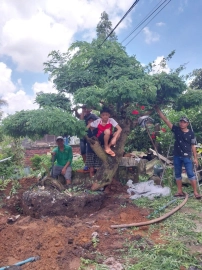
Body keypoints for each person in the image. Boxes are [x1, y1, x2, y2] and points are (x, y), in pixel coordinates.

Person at [155, 106, 201, 199]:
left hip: (187, 156)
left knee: (190, 173)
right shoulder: (176, 130)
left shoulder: (191, 133)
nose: (182, 124)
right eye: (181, 122)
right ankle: (179, 191)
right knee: (177, 173)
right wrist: (158, 111)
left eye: (184, 122)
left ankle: (196, 192)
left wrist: (195, 158)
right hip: (177, 156)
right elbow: (166, 120)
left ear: (187, 124)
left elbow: (193, 146)